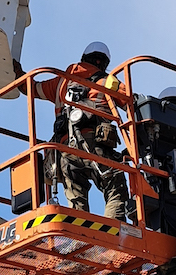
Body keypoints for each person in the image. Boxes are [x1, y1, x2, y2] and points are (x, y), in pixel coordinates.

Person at [33, 42, 131, 221]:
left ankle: (81, 234)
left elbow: (31, 88)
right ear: (104, 63)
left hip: (65, 152)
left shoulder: (61, 82)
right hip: (96, 147)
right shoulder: (108, 81)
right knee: (115, 186)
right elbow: (132, 103)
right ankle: (112, 231)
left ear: (83, 58)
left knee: (77, 202)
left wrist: (15, 72)